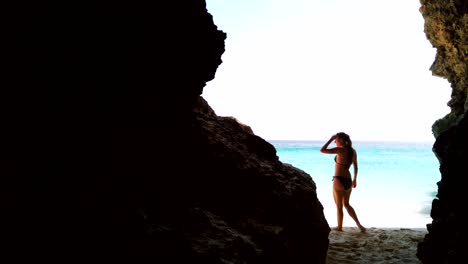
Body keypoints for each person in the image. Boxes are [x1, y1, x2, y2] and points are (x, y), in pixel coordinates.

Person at [320, 132, 366, 232]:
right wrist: (354, 179)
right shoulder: (353, 151)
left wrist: (330, 139)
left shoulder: (340, 150)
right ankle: (359, 225)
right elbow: (356, 166)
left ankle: (340, 227)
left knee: (339, 206)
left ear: (340, 140)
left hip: (338, 180)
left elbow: (322, 150)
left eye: (336, 139)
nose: (335, 141)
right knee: (347, 204)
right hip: (348, 180)